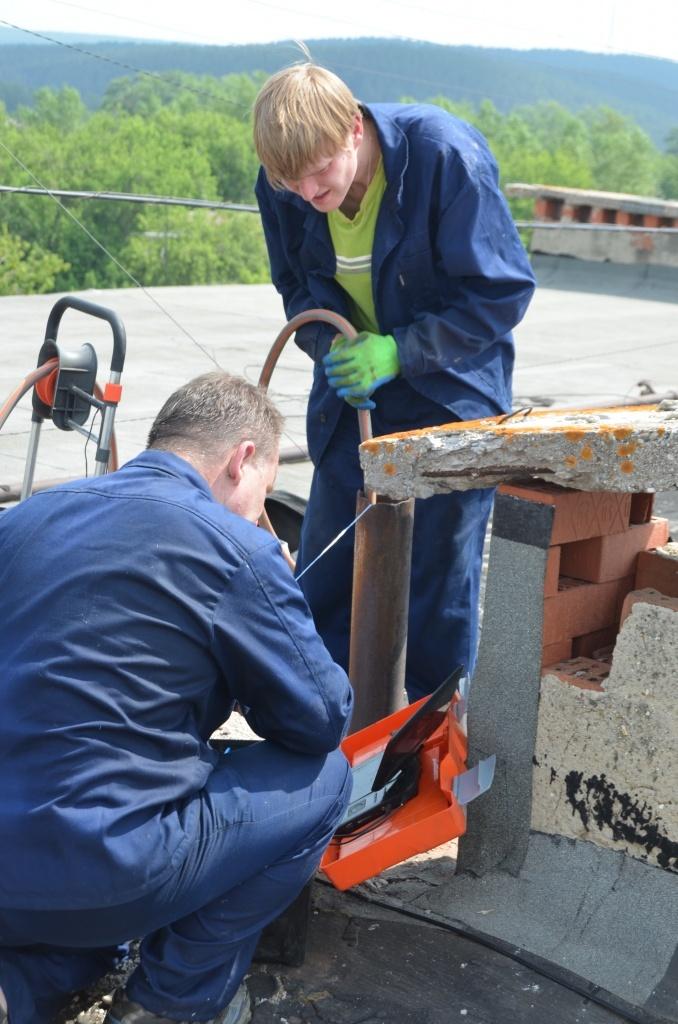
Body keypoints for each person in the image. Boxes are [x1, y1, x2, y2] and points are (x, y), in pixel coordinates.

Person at [0, 371, 353, 1024]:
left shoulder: (25, 520)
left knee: (74, 915)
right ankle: (168, 1005)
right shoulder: (236, 546)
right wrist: (271, 586)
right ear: (242, 460)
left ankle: (18, 991)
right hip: (109, 865)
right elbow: (321, 718)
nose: (258, 513)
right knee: (325, 779)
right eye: (263, 495)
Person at [253, 63, 536, 702]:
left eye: (320, 170)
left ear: (354, 128)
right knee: (328, 582)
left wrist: (399, 352)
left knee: (435, 595)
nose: (308, 191)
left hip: (450, 393)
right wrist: (336, 348)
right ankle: (323, 741)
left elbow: (501, 293)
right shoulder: (284, 184)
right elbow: (294, 289)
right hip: (355, 404)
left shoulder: (442, 157)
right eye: (289, 180)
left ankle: (428, 752)